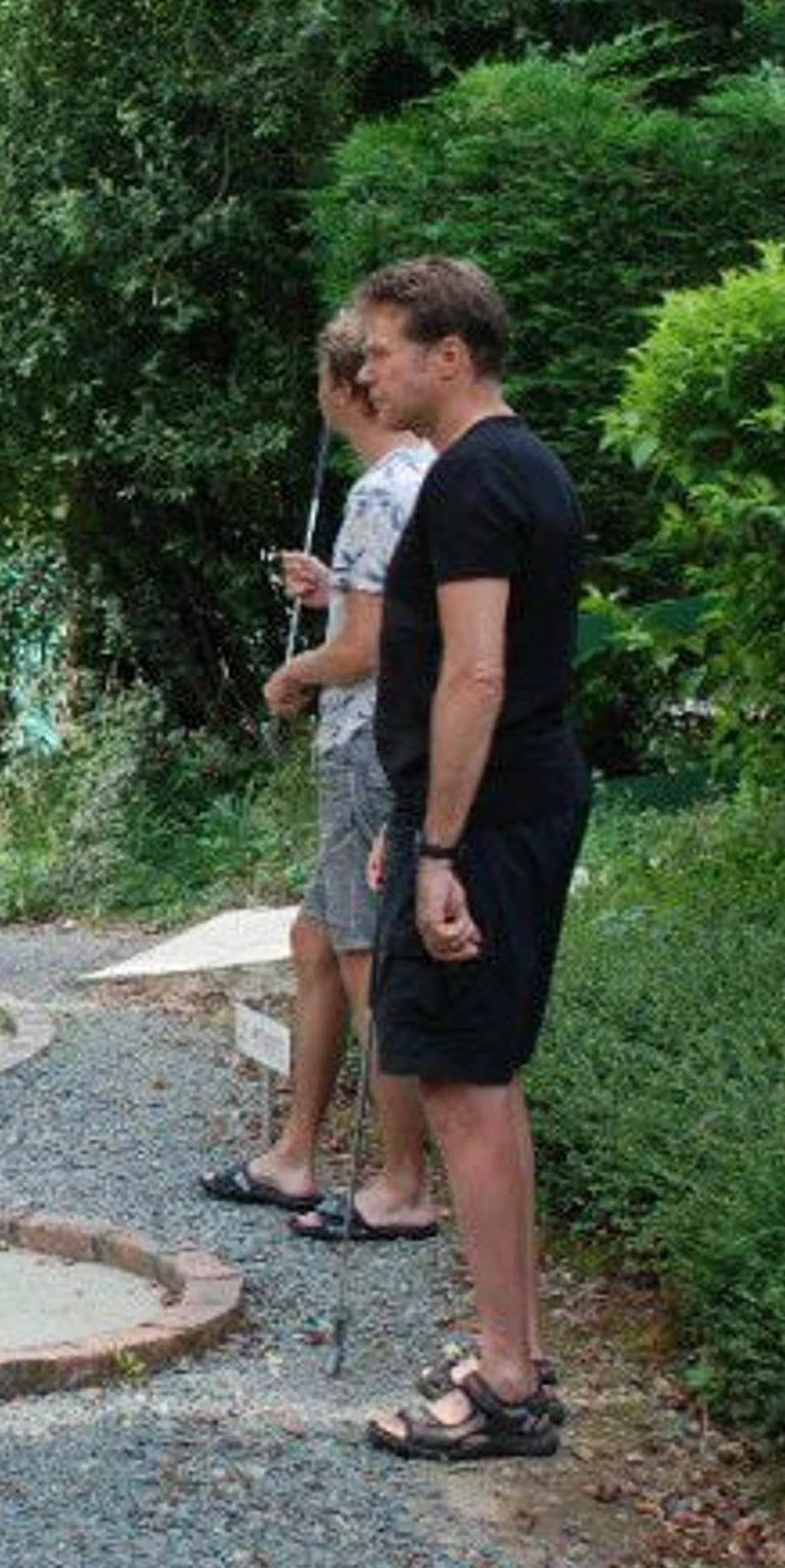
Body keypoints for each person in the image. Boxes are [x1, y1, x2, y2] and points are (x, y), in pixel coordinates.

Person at [351, 258, 593, 1462]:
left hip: (490, 819)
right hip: (497, 805)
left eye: (382, 351)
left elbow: (479, 673)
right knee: (483, 1077)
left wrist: (438, 845)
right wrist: (411, 819)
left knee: (461, 1083)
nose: (365, 373)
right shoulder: (516, 464)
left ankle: (504, 1385)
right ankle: (518, 1358)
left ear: (450, 355)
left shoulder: (477, 477)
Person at [197, 310, 439, 1242]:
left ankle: (403, 1183)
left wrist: (295, 671)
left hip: (366, 744)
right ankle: (294, 1155)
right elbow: (398, 612)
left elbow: (369, 649)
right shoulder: (423, 475)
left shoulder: (379, 491)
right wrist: (334, 590)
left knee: (366, 955)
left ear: (345, 388)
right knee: (314, 938)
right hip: (388, 740)